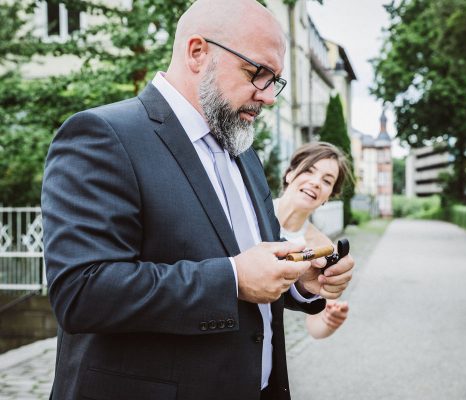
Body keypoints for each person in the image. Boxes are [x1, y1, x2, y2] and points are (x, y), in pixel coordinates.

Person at [41, 1, 354, 399]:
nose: (268, 96)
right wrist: (233, 278)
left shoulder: (245, 153)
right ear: (197, 52)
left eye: (274, 80)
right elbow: (82, 293)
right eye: (257, 73)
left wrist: (301, 282)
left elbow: (256, 265)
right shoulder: (102, 135)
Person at [274, 142, 352, 340]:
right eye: (309, 170)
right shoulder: (250, 213)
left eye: (327, 181)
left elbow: (314, 325)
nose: (316, 182)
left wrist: (328, 322)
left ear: (328, 196)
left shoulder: (321, 248)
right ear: (289, 173)